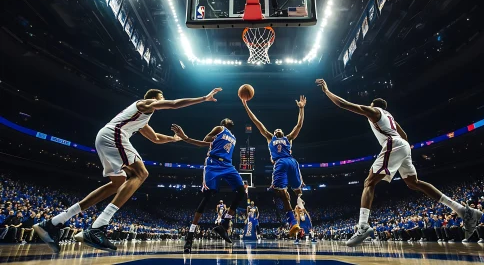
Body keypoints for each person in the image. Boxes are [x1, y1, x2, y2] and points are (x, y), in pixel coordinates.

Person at [33, 88, 222, 253]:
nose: (161, 100)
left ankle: (53, 223)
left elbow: (155, 138)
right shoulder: (144, 103)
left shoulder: (141, 119)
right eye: (160, 97)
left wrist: (175, 139)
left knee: (117, 184)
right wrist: (203, 98)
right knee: (142, 173)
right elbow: (173, 104)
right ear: (154, 98)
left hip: (106, 137)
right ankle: (97, 228)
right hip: (113, 135)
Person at [315, 78, 483, 247]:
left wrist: (327, 91)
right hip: (403, 145)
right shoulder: (391, 118)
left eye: (371, 104)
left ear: (374, 105)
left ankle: (363, 226)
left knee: (369, 182)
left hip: (393, 144)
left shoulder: (375, 112)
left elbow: (344, 104)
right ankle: (463, 211)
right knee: (413, 183)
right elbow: (405, 136)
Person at [171, 121, 246, 253]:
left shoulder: (233, 137)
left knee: (241, 191)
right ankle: (190, 235)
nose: (229, 120)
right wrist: (186, 138)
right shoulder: (219, 128)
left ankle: (224, 224)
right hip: (213, 162)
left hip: (228, 165)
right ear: (223, 123)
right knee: (208, 195)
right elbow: (204, 141)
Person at [241, 95, 306, 238]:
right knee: (280, 192)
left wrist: (301, 109)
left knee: (298, 190)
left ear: (282, 133)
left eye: (279, 129)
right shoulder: (270, 137)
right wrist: (246, 106)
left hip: (291, 161)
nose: (277, 130)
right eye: (275, 129)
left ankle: (300, 203)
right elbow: (256, 122)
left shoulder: (288, 138)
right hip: (280, 163)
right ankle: (292, 222)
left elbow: (299, 125)